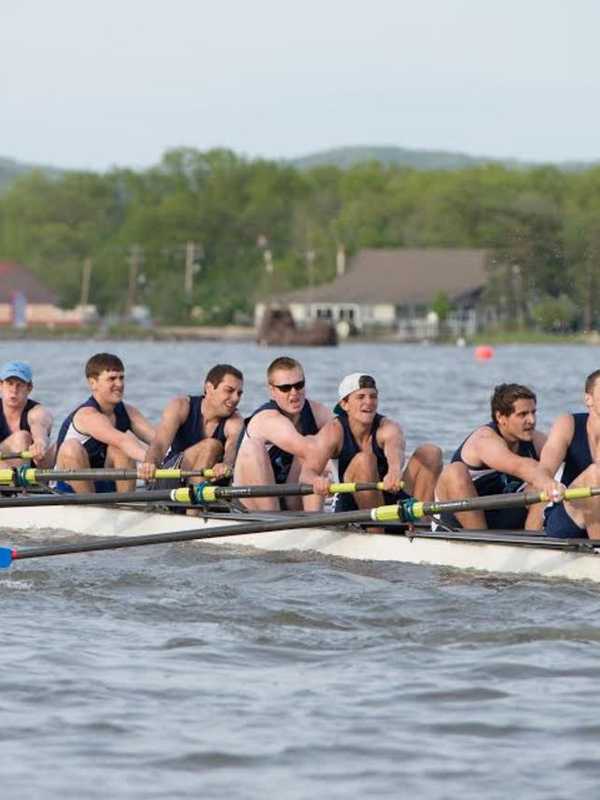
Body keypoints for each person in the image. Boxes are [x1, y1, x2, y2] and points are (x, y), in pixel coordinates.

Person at [300, 372, 443, 514]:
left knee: (430, 452)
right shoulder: (333, 431)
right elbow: (306, 474)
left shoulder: (388, 428)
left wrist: (394, 472)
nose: (369, 402)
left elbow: (396, 452)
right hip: (351, 504)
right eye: (361, 397)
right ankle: (377, 531)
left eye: (373, 396)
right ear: (344, 404)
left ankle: (421, 526)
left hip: (390, 497)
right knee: (365, 459)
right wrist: (317, 480)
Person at [435, 382, 561, 530]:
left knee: (540, 486)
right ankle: (480, 542)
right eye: (522, 414)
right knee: (454, 471)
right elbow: (520, 466)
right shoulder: (484, 440)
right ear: (501, 417)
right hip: (461, 519)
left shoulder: (536, 439)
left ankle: (533, 542)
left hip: (503, 514)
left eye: (533, 412)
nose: (532, 420)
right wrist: (548, 482)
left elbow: (566, 461)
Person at [233, 356, 332, 511]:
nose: (294, 393)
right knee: (253, 448)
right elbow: (308, 449)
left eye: (299, 385)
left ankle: (316, 522)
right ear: (272, 390)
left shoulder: (317, 411)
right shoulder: (267, 419)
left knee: (315, 443)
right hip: (252, 501)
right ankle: (273, 522)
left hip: (289, 497)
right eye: (285, 388)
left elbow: (344, 435)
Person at [55, 352, 155, 493]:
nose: (119, 384)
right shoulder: (87, 415)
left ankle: (127, 505)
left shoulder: (128, 411)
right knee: (71, 448)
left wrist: (176, 458)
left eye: (121, 378)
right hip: (69, 488)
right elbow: (122, 441)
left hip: (103, 483)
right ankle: (89, 506)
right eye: (112, 379)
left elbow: (159, 441)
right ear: (93, 383)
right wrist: (150, 461)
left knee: (120, 449)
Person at [138, 364, 244, 485]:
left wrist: (226, 464)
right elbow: (160, 444)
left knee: (214, 448)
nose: (235, 398)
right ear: (209, 388)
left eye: (239, 393)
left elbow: (232, 449)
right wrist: (150, 464)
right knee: (211, 445)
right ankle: (193, 499)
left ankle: (194, 497)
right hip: (172, 478)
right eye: (229, 390)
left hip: (209, 483)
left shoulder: (235, 421)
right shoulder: (181, 406)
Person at [539, 369, 600, 539]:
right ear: (588, 399)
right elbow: (544, 468)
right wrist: (548, 483)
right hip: (567, 519)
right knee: (596, 473)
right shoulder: (568, 424)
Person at [0, 360, 54, 467]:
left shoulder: (37, 412)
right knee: (21, 438)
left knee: (63, 444)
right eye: (9, 383)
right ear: (1, 385)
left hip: (32, 467)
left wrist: (39, 443)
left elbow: (39, 425)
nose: (14, 390)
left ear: (29, 388)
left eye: (19, 385)